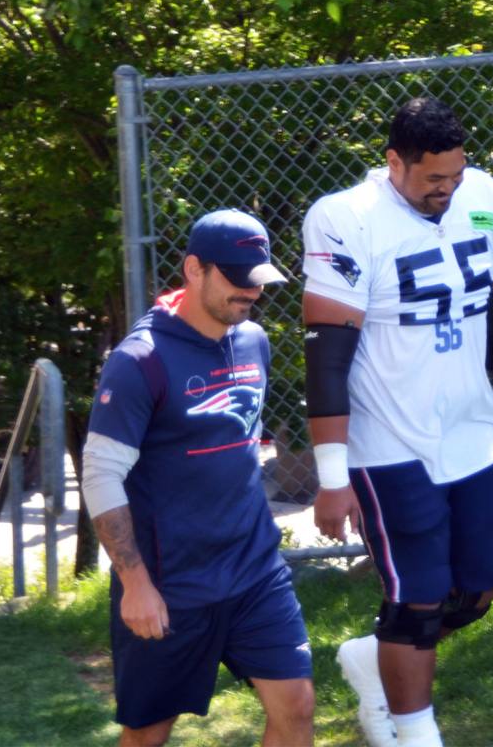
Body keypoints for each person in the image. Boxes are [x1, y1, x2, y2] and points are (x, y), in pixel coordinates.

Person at [301, 96, 493, 747]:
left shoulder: (482, 195)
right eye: (433, 178)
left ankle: (370, 655)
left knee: (491, 575)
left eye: (456, 174)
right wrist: (332, 477)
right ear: (394, 163)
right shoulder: (346, 220)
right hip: (389, 441)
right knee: (417, 601)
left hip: (473, 430)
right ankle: (413, 733)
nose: (447, 189)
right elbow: (327, 360)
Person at [82, 209, 315, 747]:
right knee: (148, 733)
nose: (250, 293)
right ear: (194, 269)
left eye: (257, 280)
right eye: (236, 279)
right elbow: (100, 474)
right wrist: (136, 584)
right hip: (172, 581)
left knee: (297, 705)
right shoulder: (139, 360)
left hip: (254, 568)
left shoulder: (254, 341)